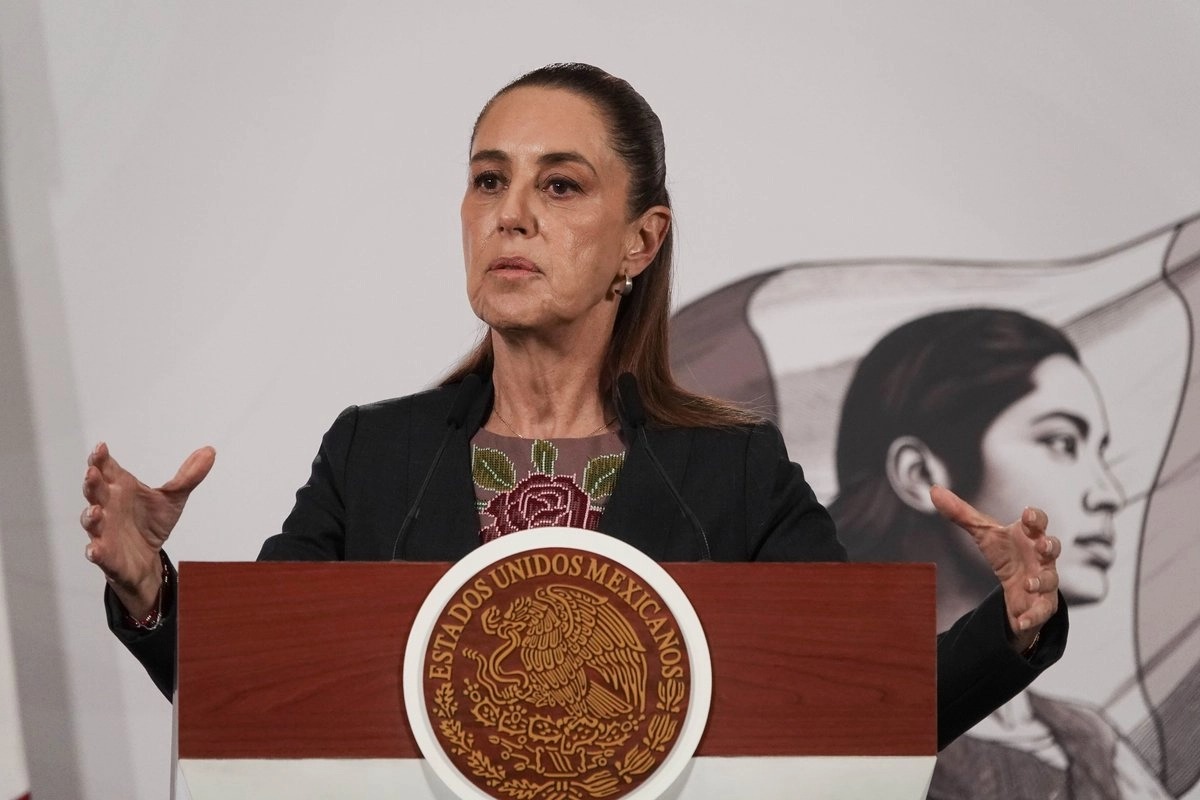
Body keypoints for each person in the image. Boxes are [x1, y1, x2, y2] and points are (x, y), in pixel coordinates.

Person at [79, 63, 1065, 752]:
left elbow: (860, 712)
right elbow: (259, 700)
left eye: (559, 184)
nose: (510, 214)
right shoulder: (370, 453)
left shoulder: (737, 469)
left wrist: (1013, 626)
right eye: (488, 180)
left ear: (641, 240)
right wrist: (148, 586)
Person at [830, 308, 1171, 797]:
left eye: (1099, 450)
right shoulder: (832, 726)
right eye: (1061, 441)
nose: (1109, 493)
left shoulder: (1092, 743)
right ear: (920, 474)